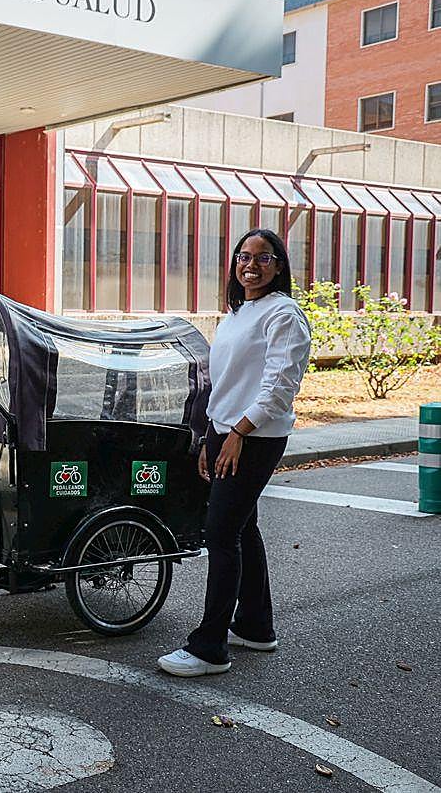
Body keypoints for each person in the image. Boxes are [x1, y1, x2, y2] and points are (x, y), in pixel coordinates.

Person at [159, 229, 311, 677]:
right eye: (244, 256)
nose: (251, 264)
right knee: (244, 529)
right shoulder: (239, 312)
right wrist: (211, 433)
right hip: (227, 432)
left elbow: (280, 387)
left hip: (256, 437)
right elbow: (223, 383)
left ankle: (210, 647)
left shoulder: (284, 315)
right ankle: (256, 626)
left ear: (279, 266)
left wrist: (238, 433)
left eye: (263, 258)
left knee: (222, 533)